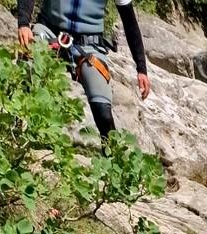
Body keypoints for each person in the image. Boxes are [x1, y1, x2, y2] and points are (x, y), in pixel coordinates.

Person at [17, 0, 150, 141]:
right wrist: (24, 24)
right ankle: (15, 130)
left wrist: (141, 69)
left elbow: (129, 22)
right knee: (29, 66)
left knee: (103, 111)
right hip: (49, 31)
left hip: (89, 45)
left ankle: (112, 155)